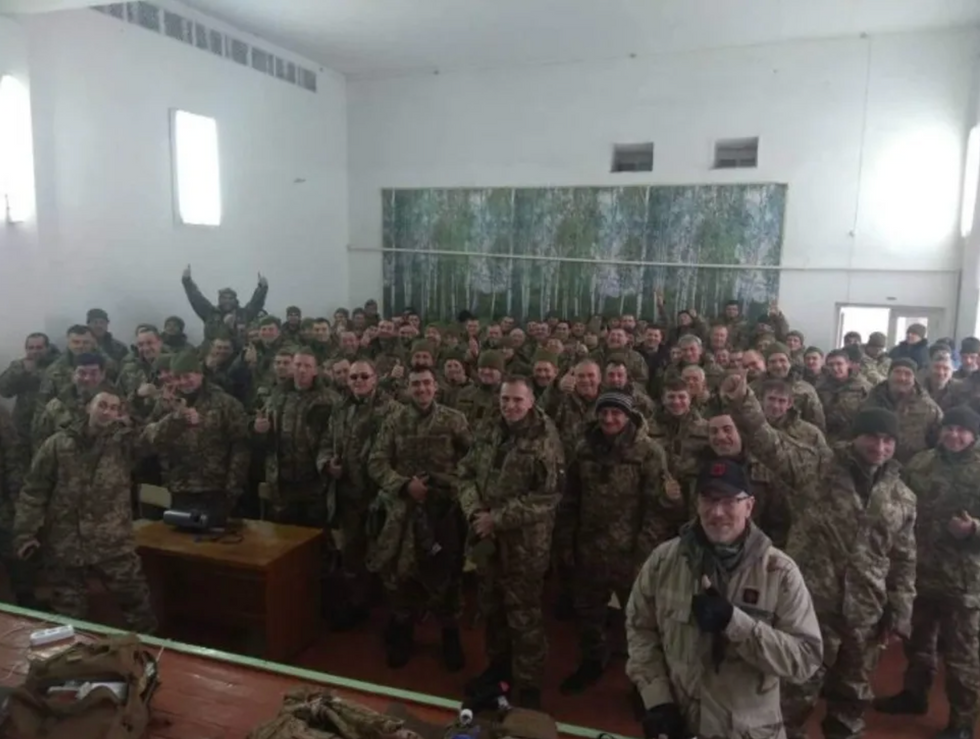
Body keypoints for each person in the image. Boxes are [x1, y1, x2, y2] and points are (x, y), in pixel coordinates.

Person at [720, 373, 917, 739]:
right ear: (856, 436)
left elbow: (904, 559)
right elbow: (769, 442)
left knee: (853, 694)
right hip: (809, 606)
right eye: (872, 436)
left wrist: (900, 608)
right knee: (794, 690)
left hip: (865, 612)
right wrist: (743, 397)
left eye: (888, 440)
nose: (880, 446)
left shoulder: (902, 496)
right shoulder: (818, 468)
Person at [625, 457, 822, 739]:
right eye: (708, 499)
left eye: (729, 501)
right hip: (681, 725)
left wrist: (735, 623)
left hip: (748, 731)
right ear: (697, 503)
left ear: (749, 506)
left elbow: (805, 659)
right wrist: (658, 701)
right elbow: (640, 628)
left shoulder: (780, 572)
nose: (717, 512)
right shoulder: (664, 561)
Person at [555, 391, 677, 695]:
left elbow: (657, 510)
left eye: (616, 413)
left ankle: (646, 686)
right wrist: (566, 542)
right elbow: (570, 499)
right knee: (589, 615)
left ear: (628, 416)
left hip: (632, 556)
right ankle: (593, 661)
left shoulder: (648, 452)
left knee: (641, 624)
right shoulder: (584, 449)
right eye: (604, 412)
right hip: (589, 551)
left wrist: (643, 554)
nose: (609, 419)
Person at [874, 405, 980, 739]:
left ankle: (961, 723)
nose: (954, 435)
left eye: (962, 430)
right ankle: (914, 695)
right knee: (918, 644)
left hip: (964, 582)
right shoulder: (921, 462)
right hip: (921, 572)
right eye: (949, 428)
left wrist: (974, 528)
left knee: (962, 657)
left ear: (974, 435)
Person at [12, 390, 157, 633]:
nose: (107, 412)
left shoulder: (124, 443)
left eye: (113, 408)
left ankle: (151, 658)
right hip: (66, 543)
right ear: (89, 407)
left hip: (113, 542)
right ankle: (72, 663)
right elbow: (34, 491)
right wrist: (25, 533)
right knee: (69, 616)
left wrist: (179, 418)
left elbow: (157, 437)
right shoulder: (58, 444)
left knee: (137, 606)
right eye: (102, 405)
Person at [459, 375, 564, 709]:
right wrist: (474, 509)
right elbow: (466, 472)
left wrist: (498, 519)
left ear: (531, 401)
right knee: (492, 608)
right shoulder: (490, 429)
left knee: (524, 615)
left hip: (525, 545)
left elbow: (548, 496)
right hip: (486, 537)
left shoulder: (545, 438)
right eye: (505, 399)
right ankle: (499, 669)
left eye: (517, 400)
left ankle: (529, 685)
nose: (510, 406)